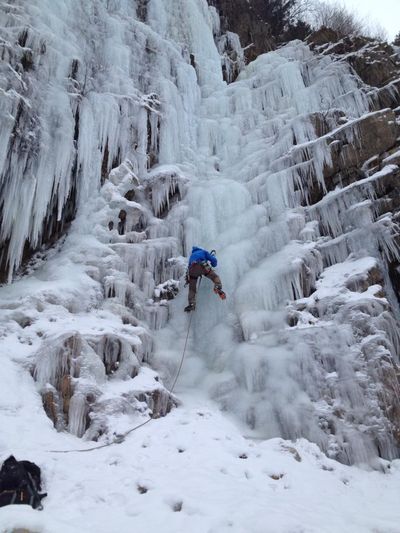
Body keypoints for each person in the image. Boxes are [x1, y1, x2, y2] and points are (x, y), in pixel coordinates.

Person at [184, 246, 225, 312]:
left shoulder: (192, 256)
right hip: (202, 265)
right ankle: (217, 286)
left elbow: (188, 269)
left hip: (192, 268)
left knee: (192, 288)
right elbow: (213, 261)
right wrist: (213, 264)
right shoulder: (203, 252)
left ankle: (191, 303)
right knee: (214, 277)